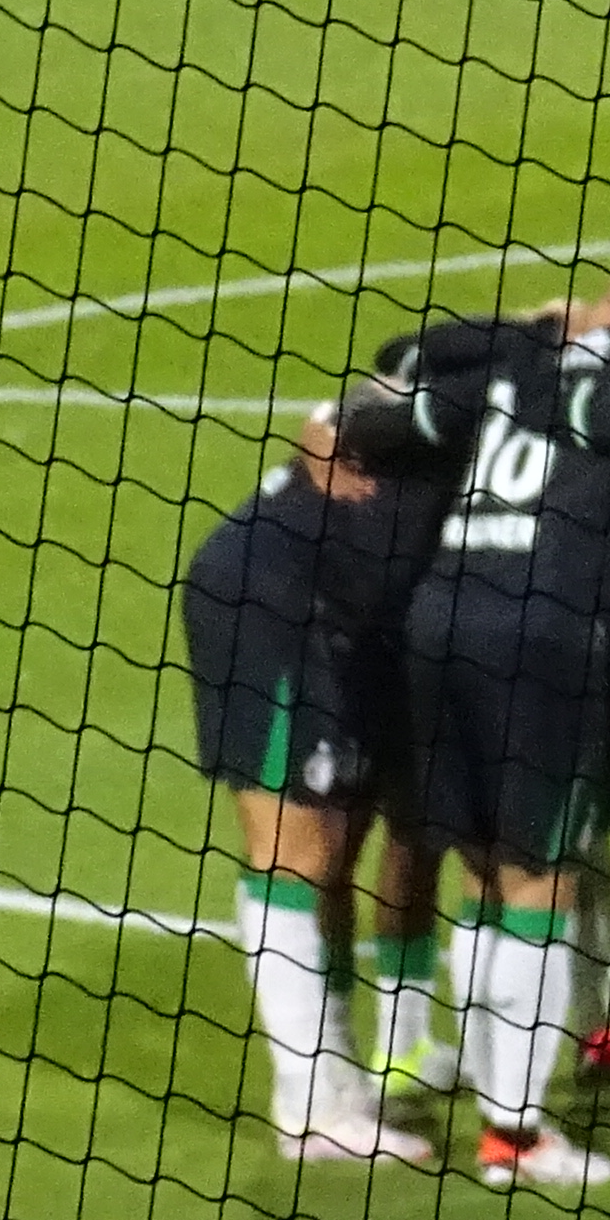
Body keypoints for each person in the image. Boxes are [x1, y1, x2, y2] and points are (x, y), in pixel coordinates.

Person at [323, 253, 610, 1192]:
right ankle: (517, 1137)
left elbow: (388, 398)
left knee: (487, 868)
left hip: (440, 622)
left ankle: (487, 1095)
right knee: (544, 878)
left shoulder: (514, 369)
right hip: (547, 640)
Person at [176, 424, 417, 1163]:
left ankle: (338, 1081)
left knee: (337, 849)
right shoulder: (459, 403)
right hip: (269, 607)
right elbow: (326, 425)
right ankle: (309, 1104)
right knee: (293, 851)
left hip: (342, 623)